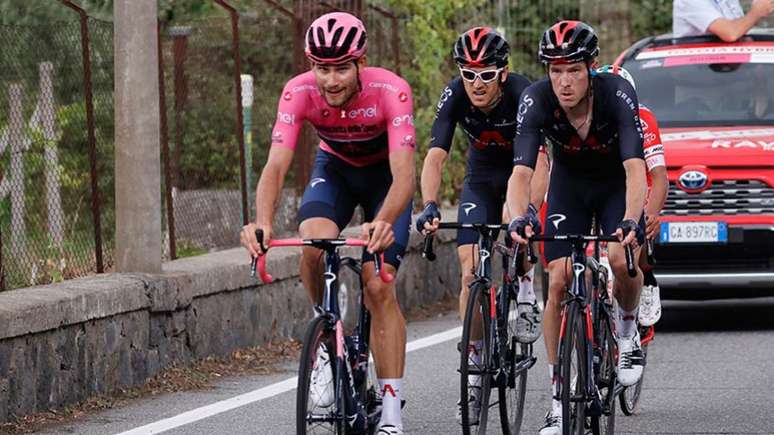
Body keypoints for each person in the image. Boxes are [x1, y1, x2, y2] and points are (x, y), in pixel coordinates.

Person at [239, 12, 415, 435]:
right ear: (310, 65)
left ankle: (390, 414)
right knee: (312, 244)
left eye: (340, 69)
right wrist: (261, 222)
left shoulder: (391, 90)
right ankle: (325, 341)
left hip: (385, 181)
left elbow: (405, 174)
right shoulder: (296, 92)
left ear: (360, 62)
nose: (331, 80)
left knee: (377, 285)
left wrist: (383, 221)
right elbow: (276, 166)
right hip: (335, 169)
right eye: (321, 68)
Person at [505, 21, 647, 434]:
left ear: (592, 67)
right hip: (569, 186)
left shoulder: (617, 95)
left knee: (621, 259)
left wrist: (630, 220)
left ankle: (626, 331)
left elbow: (635, 170)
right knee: (557, 279)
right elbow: (521, 172)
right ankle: (556, 399)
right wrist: (518, 215)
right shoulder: (534, 100)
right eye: (555, 71)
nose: (564, 82)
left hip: (613, 185)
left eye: (574, 71)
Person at [414, 26, 550, 425]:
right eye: (468, 73)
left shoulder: (524, 93)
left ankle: (525, 290)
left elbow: (539, 163)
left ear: (502, 74)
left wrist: (531, 210)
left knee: (514, 226)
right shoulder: (455, 94)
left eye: (486, 74)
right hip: (479, 178)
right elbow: (435, 156)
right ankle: (474, 371)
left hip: (520, 171)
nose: (476, 83)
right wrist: (429, 204)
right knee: (470, 271)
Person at [595, 65, 669, 326]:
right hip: (600, 182)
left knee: (636, 234)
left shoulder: (643, 118)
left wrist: (651, 214)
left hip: (636, 182)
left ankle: (645, 278)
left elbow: (658, 174)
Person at [673, 0, 774, 41]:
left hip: (732, 74)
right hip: (700, 79)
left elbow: (740, 28)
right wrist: (756, 12)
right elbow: (730, 33)